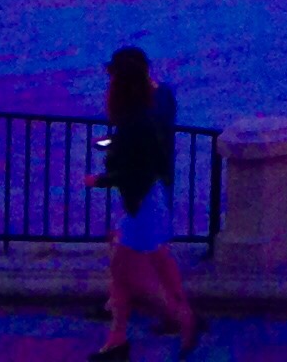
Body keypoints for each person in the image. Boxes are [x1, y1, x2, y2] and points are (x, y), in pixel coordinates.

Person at [91, 47, 198, 358]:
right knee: (138, 272)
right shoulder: (152, 108)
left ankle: (181, 319)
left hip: (142, 206)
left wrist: (100, 178)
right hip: (149, 201)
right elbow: (151, 157)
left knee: (127, 276)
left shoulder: (135, 121)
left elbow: (131, 168)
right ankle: (118, 339)